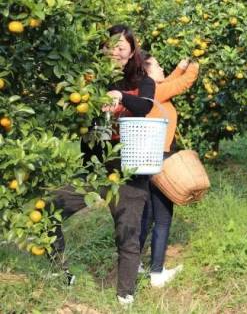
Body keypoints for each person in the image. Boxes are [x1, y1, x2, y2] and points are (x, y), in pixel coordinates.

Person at [50, 25, 155, 305]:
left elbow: (145, 106)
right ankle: (59, 273)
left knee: (127, 233)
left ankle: (125, 297)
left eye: (121, 47)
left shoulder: (142, 81)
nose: (115, 52)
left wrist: (120, 96)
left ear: (132, 50)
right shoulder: (90, 80)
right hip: (93, 166)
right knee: (48, 210)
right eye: (110, 46)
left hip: (128, 167)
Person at [137, 52, 199, 287]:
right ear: (148, 73)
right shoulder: (153, 90)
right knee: (163, 218)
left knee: (148, 216)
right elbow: (180, 85)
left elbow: (170, 82)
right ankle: (157, 274)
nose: (163, 68)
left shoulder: (151, 91)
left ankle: (136, 264)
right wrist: (194, 66)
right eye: (159, 66)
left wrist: (180, 66)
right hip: (160, 161)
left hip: (147, 160)